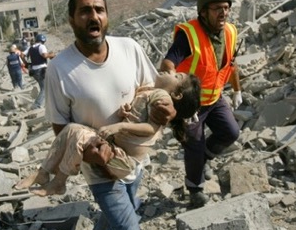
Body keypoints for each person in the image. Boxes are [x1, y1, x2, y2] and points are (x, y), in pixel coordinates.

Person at [37, 0, 174, 230]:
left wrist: (168, 108)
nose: (93, 16)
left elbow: (152, 90)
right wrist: (91, 154)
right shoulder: (60, 69)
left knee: (129, 203)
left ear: (107, 17)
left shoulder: (129, 48)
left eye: (99, 10)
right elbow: (61, 128)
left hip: (135, 158)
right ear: (72, 20)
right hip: (99, 169)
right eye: (85, 11)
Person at [15, 71, 201, 196]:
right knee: (71, 128)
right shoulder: (153, 91)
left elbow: (151, 128)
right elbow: (140, 116)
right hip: (116, 151)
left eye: (176, 75)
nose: (170, 71)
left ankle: (59, 181)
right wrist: (127, 111)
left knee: (78, 135)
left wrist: (119, 126)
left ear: (177, 94)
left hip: (124, 161)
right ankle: (43, 172)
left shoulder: (163, 96)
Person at [160, 0, 242, 208]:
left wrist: (236, 90)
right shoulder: (189, 35)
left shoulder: (231, 32)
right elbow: (169, 61)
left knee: (231, 132)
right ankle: (195, 189)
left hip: (214, 98)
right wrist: (170, 82)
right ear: (203, 12)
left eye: (226, 8)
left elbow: (232, 65)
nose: (223, 13)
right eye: (217, 9)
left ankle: (205, 158)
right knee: (194, 145)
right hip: (191, 105)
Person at [26, 33, 56, 110]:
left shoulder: (31, 48)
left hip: (34, 70)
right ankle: (36, 105)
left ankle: (46, 103)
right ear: (43, 41)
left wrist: (26, 64)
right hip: (41, 70)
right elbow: (44, 55)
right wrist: (51, 55)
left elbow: (22, 55)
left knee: (43, 87)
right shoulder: (41, 46)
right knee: (45, 88)